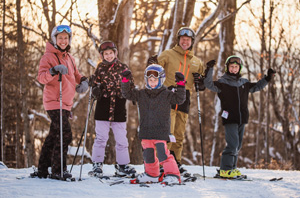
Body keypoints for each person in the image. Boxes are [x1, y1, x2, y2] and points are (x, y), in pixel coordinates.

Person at [203, 55, 276, 178]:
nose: (234, 69)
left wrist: (267, 78)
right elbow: (208, 84)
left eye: (236, 67)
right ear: (227, 68)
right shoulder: (222, 82)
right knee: (232, 144)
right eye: (231, 66)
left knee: (238, 145)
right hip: (230, 118)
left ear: (239, 68)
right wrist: (210, 69)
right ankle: (225, 169)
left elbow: (257, 86)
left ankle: (232, 168)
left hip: (242, 118)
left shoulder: (244, 82)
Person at [31, 25, 89, 179]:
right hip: (54, 101)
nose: (63, 41)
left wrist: (83, 81)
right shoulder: (48, 57)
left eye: (66, 38)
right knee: (65, 135)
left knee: (54, 135)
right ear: (54, 39)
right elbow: (42, 77)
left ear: (69, 40)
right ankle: (58, 170)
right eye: (60, 38)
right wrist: (53, 70)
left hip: (66, 103)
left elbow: (75, 74)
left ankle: (43, 169)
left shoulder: (70, 57)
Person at [147, 27, 205, 175]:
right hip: (168, 94)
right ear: (178, 40)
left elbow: (202, 82)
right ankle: (162, 163)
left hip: (185, 96)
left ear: (192, 42)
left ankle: (176, 162)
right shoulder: (168, 54)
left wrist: (202, 80)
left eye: (188, 40)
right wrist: (152, 64)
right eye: (182, 39)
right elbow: (153, 72)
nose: (185, 41)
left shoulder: (196, 61)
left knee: (179, 134)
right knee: (168, 132)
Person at [121, 64, 186, 185]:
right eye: (150, 80)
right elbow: (128, 94)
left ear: (161, 80)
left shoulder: (166, 94)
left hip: (161, 131)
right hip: (146, 131)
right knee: (148, 155)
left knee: (163, 154)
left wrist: (181, 84)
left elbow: (180, 99)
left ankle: (173, 175)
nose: (152, 82)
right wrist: (125, 81)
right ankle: (152, 174)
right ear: (146, 80)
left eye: (155, 80)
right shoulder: (141, 94)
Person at [89, 41, 136, 177]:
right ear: (102, 55)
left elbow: (130, 84)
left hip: (119, 105)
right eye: (106, 54)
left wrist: (132, 93)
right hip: (103, 105)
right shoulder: (100, 68)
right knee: (101, 137)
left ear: (115, 53)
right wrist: (95, 89)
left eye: (111, 53)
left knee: (121, 138)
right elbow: (95, 85)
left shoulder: (123, 67)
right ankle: (97, 164)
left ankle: (122, 165)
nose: (108, 56)